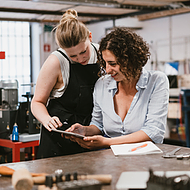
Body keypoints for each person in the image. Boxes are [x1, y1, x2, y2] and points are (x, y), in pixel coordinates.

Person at [65, 27, 169, 150]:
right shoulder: (102, 84)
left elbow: (153, 131)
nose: (108, 70)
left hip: (144, 159)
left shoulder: (157, 81)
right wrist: (85, 130)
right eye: (105, 63)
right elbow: (98, 124)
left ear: (131, 60)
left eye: (113, 64)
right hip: (109, 160)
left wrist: (108, 142)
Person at [31, 9, 100, 158]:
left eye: (83, 52)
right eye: (73, 56)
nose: (80, 59)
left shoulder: (101, 55)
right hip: (58, 139)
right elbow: (37, 102)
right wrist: (46, 119)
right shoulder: (55, 62)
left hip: (90, 135)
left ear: (90, 37)